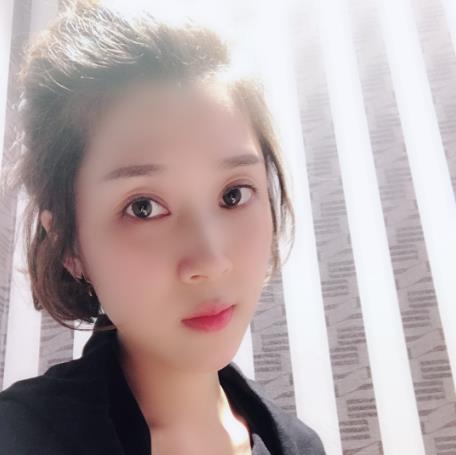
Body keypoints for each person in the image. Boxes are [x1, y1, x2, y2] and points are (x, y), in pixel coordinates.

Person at [0, 1, 326, 453]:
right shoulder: (18, 436)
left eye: (234, 194)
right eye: (144, 207)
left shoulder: (300, 446)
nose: (210, 262)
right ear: (71, 246)